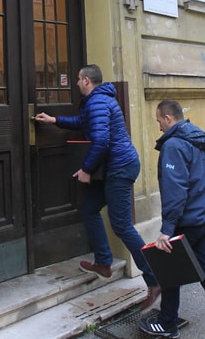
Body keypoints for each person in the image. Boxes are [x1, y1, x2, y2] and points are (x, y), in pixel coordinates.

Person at [35, 64, 161, 311]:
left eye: (78, 79)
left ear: (86, 81)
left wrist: (86, 170)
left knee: (122, 226)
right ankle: (103, 262)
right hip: (112, 168)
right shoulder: (97, 101)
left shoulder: (96, 102)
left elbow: (102, 141)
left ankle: (154, 280)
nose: (76, 83)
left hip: (119, 168)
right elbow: (81, 122)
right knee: (89, 208)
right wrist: (54, 119)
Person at [140, 99, 205, 339]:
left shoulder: (174, 145)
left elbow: (176, 190)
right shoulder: (202, 138)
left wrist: (166, 230)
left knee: (169, 270)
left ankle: (167, 324)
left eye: (159, 120)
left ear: (168, 118)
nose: (159, 126)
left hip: (188, 220)